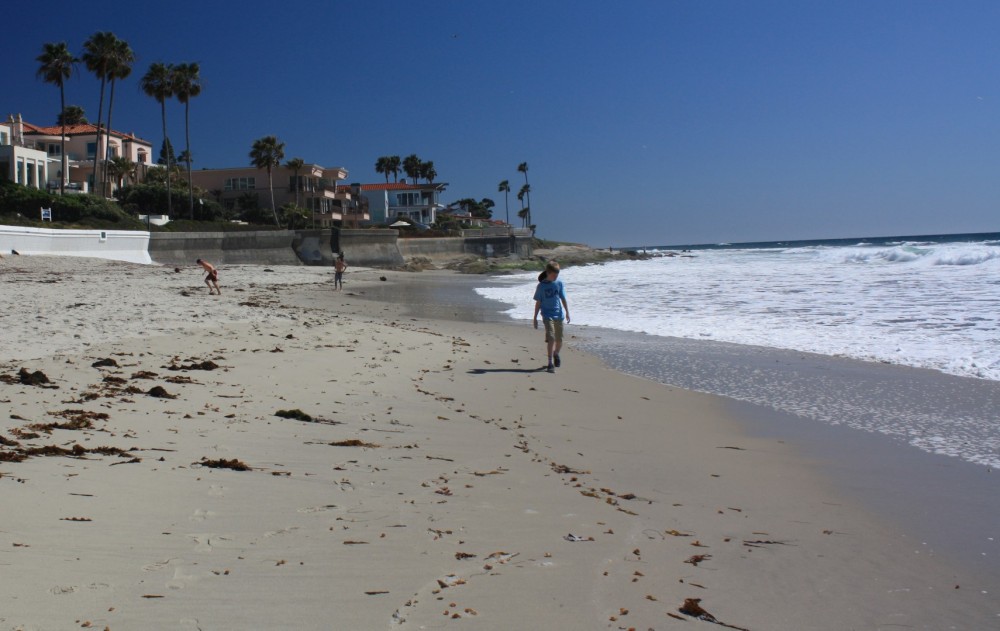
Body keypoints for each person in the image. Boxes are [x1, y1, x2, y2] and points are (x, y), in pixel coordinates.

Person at [532, 261, 570, 373]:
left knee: (560, 340)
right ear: (548, 273)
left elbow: (563, 298)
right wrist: (534, 317)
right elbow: (538, 302)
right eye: (554, 275)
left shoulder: (559, 283)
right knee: (552, 338)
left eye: (557, 275)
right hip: (547, 315)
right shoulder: (541, 286)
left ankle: (556, 353)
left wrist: (567, 312)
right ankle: (550, 363)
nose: (555, 277)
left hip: (559, 315)